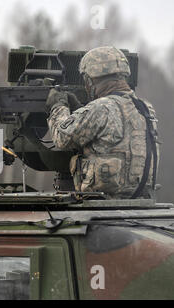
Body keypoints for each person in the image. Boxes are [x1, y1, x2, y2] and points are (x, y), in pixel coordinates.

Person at [45, 46, 159, 199]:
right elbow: (110, 133)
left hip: (101, 200)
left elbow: (61, 137)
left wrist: (57, 106)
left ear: (90, 80)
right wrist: (80, 109)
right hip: (138, 199)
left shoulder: (101, 108)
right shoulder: (146, 108)